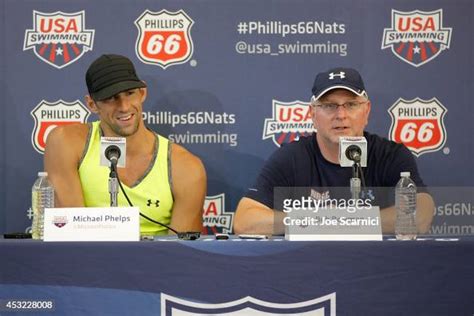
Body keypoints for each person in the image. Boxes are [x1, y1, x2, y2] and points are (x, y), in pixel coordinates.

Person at [234, 67, 434, 235]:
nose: (341, 115)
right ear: (312, 113)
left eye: (351, 104)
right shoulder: (293, 157)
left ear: (367, 110)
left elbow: (421, 215)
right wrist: (316, 221)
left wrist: (343, 220)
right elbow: (244, 221)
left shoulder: (390, 155)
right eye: (329, 105)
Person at [44, 54, 206, 235]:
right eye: (110, 98)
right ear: (92, 104)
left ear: (142, 93)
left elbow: (182, 253)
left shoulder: (185, 167)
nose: (124, 106)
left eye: (130, 94)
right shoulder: (66, 142)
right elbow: (70, 234)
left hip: (156, 261)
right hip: (90, 260)